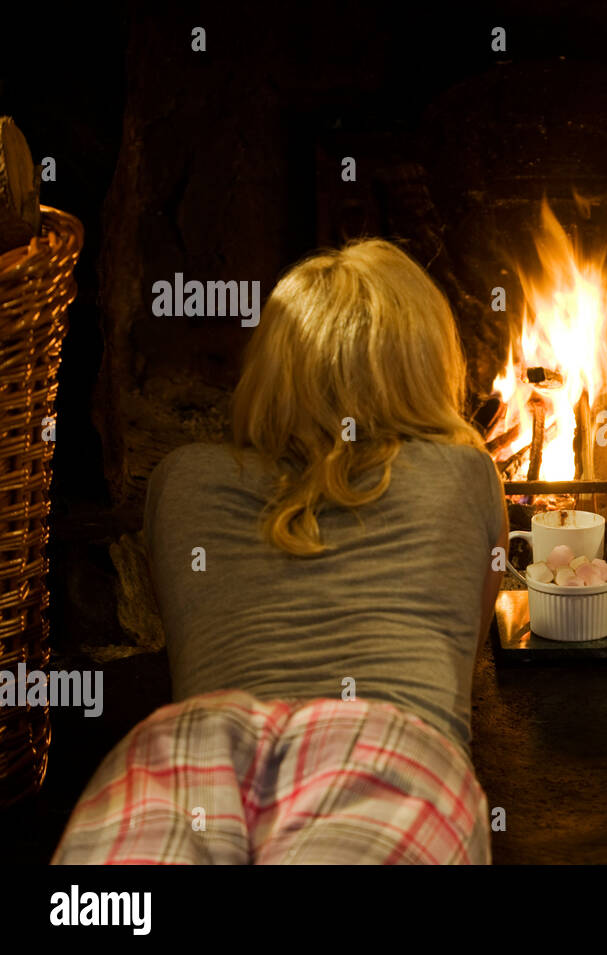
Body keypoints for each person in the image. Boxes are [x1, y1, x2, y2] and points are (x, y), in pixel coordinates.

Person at [53, 238, 506, 864]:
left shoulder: (180, 479)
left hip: (191, 745)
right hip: (384, 748)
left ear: (270, 360)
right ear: (425, 364)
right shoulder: (469, 475)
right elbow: (459, 659)